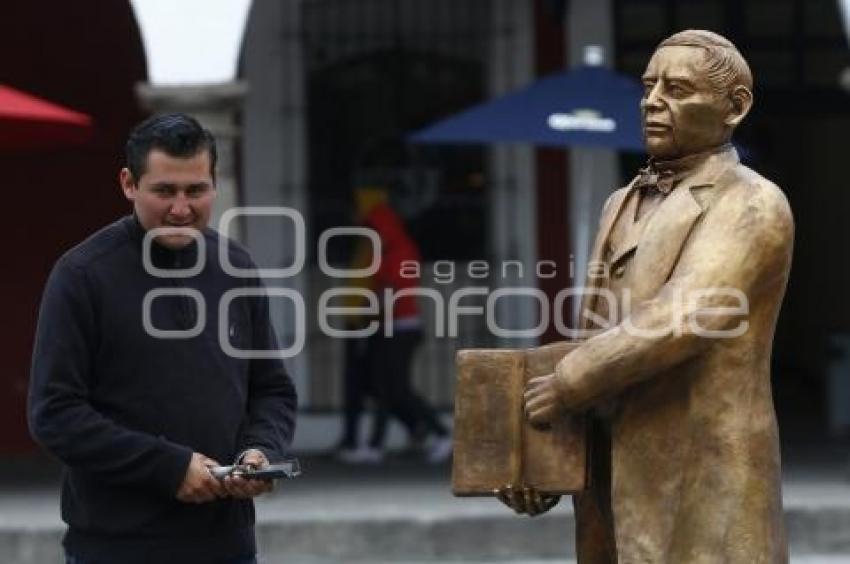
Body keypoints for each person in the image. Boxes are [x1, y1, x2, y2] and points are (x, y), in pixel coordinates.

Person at [500, 30, 793, 562]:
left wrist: (567, 385)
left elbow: (686, 315)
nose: (653, 101)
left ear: (736, 107)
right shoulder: (621, 201)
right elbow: (596, 329)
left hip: (704, 477)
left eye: (678, 89)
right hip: (611, 481)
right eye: (649, 85)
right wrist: (543, 456)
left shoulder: (752, 201)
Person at [28, 113, 298, 564]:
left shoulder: (236, 266)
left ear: (214, 183)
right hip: (116, 548)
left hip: (228, 544)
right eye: (164, 191)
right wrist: (170, 468)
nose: (180, 208)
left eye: (195, 190)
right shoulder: (81, 276)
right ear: (128, 183)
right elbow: (54, 414)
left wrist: (260, 451)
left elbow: (271, 389)